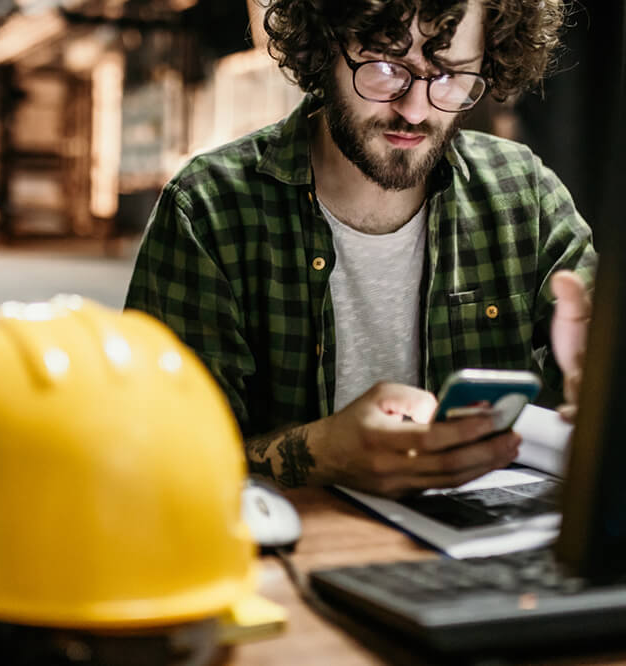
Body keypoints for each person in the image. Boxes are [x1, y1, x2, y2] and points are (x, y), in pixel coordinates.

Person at [125, 0, 596, 498]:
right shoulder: (208, 209)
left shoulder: (521, 191)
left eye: (451, 76)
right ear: (323, 46)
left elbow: (605, 342)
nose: (415, 110)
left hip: (487, 556)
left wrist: (608, 371)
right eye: (386, 68)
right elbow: (154, 462)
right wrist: (321, 455)